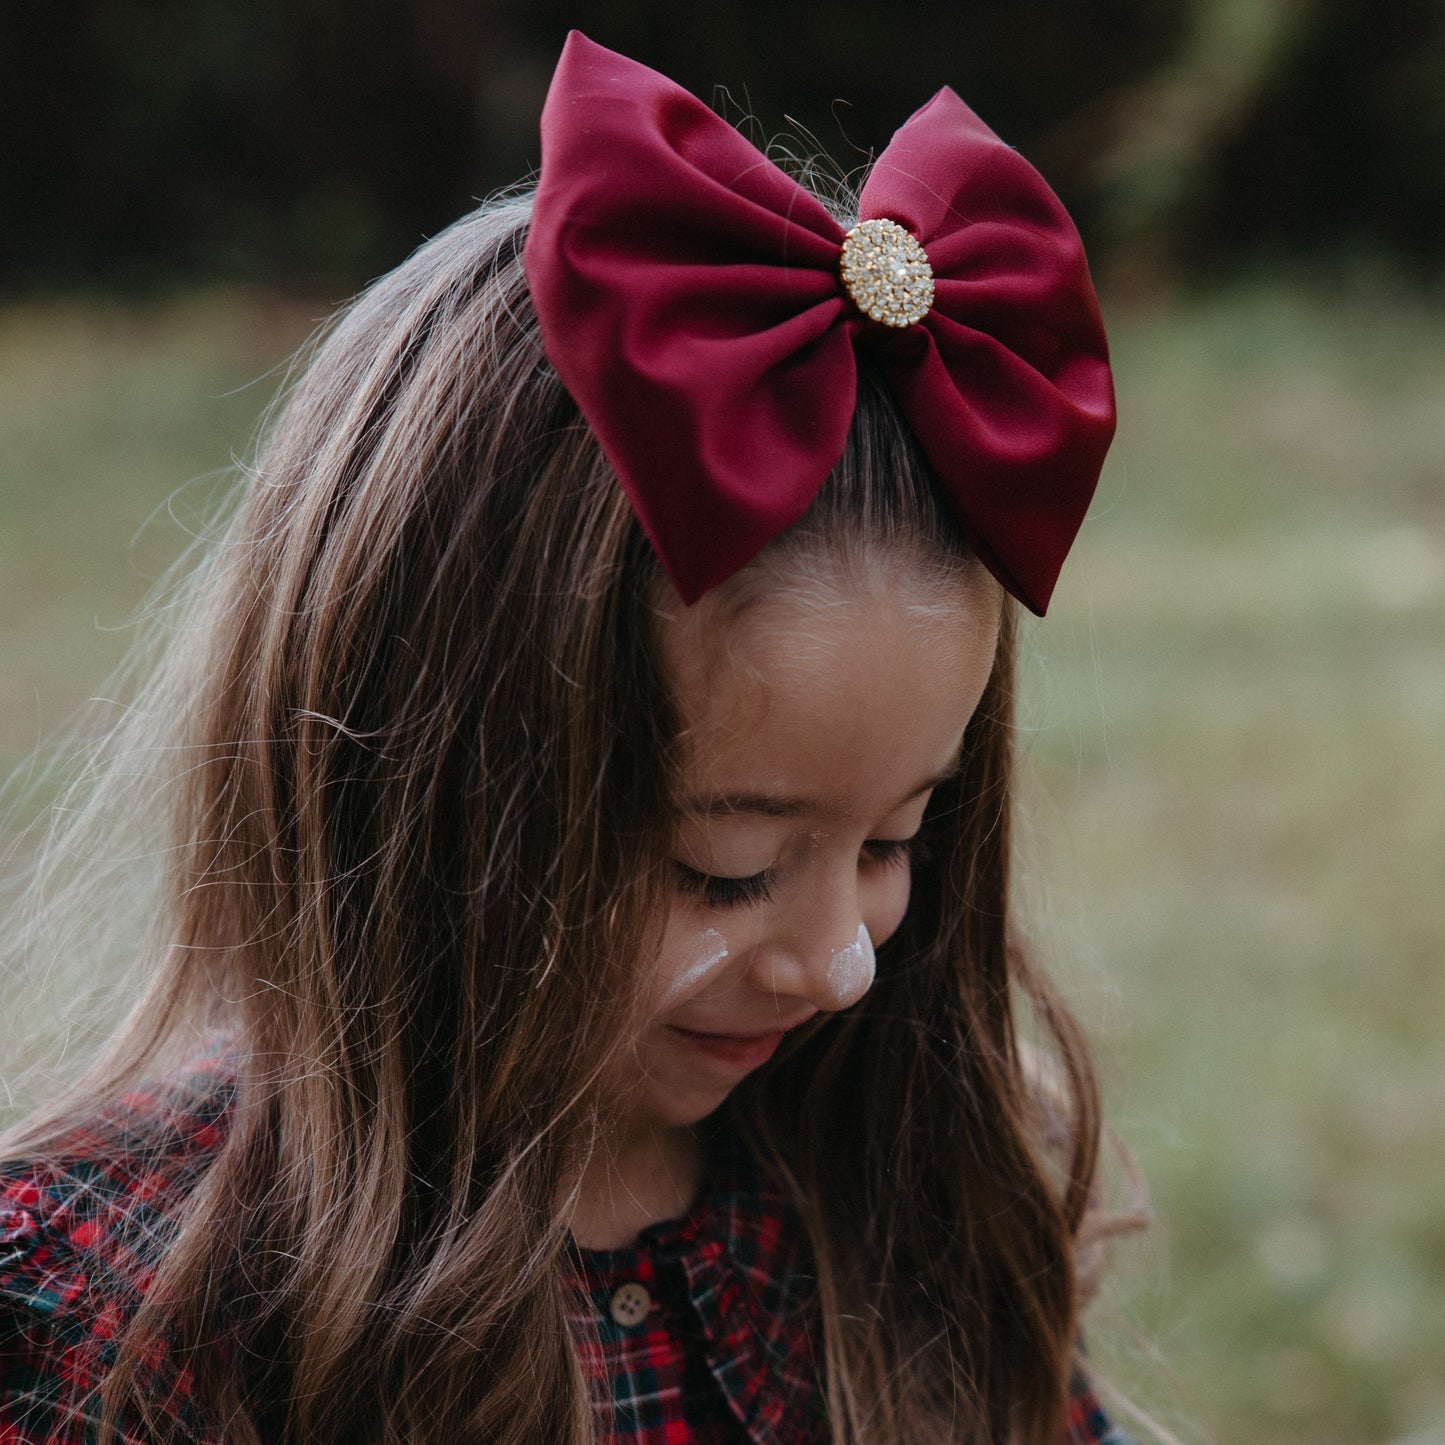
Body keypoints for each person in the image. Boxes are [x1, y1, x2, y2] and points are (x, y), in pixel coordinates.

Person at [0, 31, 1139, 1445]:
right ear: (405, 795)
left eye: (899, 836)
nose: (841, 958)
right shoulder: (113, 1325)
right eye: (724, 867)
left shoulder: (901, 1213)